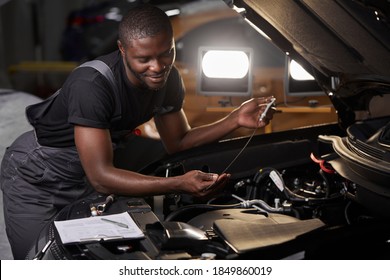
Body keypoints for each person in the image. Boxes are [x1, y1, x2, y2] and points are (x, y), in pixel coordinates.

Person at [0, 4, 275, 260]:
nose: (157, 67)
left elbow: (177, 142)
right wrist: (178, 183)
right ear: (122, 49)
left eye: (165, 53)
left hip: (85, 175)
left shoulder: (168, 78)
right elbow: (102, 178)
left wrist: (234, 119)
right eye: (143, 58)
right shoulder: (92, 84)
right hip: (37, 177)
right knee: (40, 262)